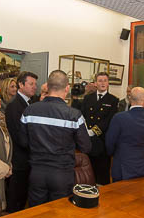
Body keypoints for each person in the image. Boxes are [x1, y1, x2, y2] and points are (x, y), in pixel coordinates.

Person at [19, 70, 91, 206]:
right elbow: (86, 147)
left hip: (37, 172)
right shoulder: (74, 115)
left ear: (48, 86)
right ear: (67, 88)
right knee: (59, 213)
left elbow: (23, 142)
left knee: (36, 213)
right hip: (62, 174)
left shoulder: (29, 111)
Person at [106, 87, 144, 181]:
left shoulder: (119, 118)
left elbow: (110, 143)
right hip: (142, 166)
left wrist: (113, 154)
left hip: (121, 167)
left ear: (130, 99)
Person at [4, 71, 38, 212]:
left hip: (29, 157)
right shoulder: (14, 105)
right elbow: (17, 134)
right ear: (21, 85)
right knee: (16, 197)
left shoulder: (32, 102)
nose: (34, 87)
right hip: (19, 158)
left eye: (35, 84)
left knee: (24, 196)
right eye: (31, 84)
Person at [81, 72, 119, 184]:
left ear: (108, 83)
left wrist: (94, 131)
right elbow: (83, 115)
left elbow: (109, 120)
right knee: (88, 171)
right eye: (100, 80)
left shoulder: (113, 100)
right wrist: (85, 131)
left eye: (105, 81)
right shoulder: (88, 98)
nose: (102, 83)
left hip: (102, 140)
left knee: (102, 172)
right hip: (88, 140)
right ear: (95, 83)